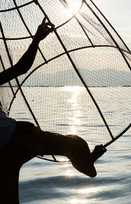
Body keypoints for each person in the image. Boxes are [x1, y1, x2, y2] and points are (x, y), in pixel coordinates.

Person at [0, 18, 106, 203]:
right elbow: (21, 68)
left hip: (3, 151)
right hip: (16, 138)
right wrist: (37, 39)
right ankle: (87, 161)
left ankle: (86, 159)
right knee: (75, 144)